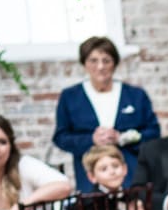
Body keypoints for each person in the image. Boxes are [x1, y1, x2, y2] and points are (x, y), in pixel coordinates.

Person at [53, 36, 160, 193]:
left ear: (115, 64)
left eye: (106, 60)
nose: (100, 66)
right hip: (90, 181)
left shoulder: (135, 95)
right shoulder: (70, 97)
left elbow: (153, 133)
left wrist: (122, 138)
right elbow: (61, 137)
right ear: (84, 64)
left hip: (132, 176)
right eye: (93, 61)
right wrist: (91, 139)